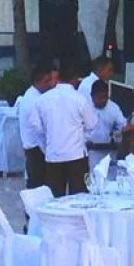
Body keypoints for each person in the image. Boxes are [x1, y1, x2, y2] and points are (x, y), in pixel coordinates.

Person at [39, 66, 95, 196]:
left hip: (53, 155)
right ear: (75, 79)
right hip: (76, 156)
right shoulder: (79, 99)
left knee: (55, 199)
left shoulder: (43, 99)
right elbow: (92, 124)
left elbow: (38, 127)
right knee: (80, 198)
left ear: (58, 78)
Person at [15, 60, 57, 186]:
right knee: (40, 187)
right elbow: (40, 130)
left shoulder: (33, 95)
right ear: (38, 82)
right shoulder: (35, 101)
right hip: (37, 151)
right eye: (47, 81)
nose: (51, 84)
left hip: (34, 149)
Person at [85, 79, 125, 157]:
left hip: (108, 152)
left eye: (105, 97)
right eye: (100, 97)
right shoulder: (85, 107)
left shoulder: (113, 108)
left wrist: (117, 135)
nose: (103, 100)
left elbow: (122, 126)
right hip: (89, 152)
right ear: (92, 96)